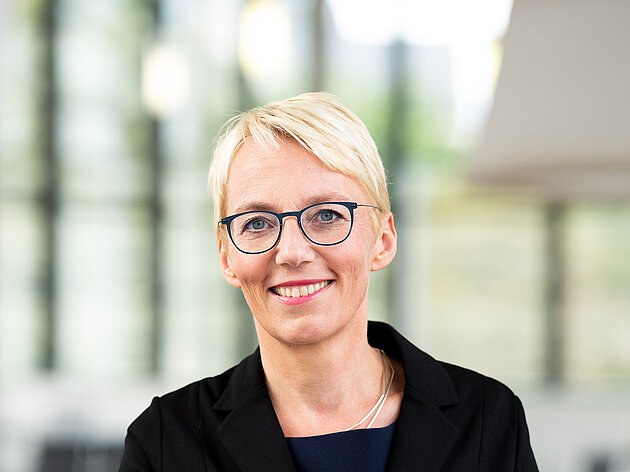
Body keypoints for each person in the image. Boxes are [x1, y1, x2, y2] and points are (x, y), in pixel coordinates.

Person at [119, 92, 539, 471]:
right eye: (258, 223)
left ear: (383, 239)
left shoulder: (488, 420)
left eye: (326, 216)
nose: (292, 252)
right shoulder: (165, 442)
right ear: (226, 256)